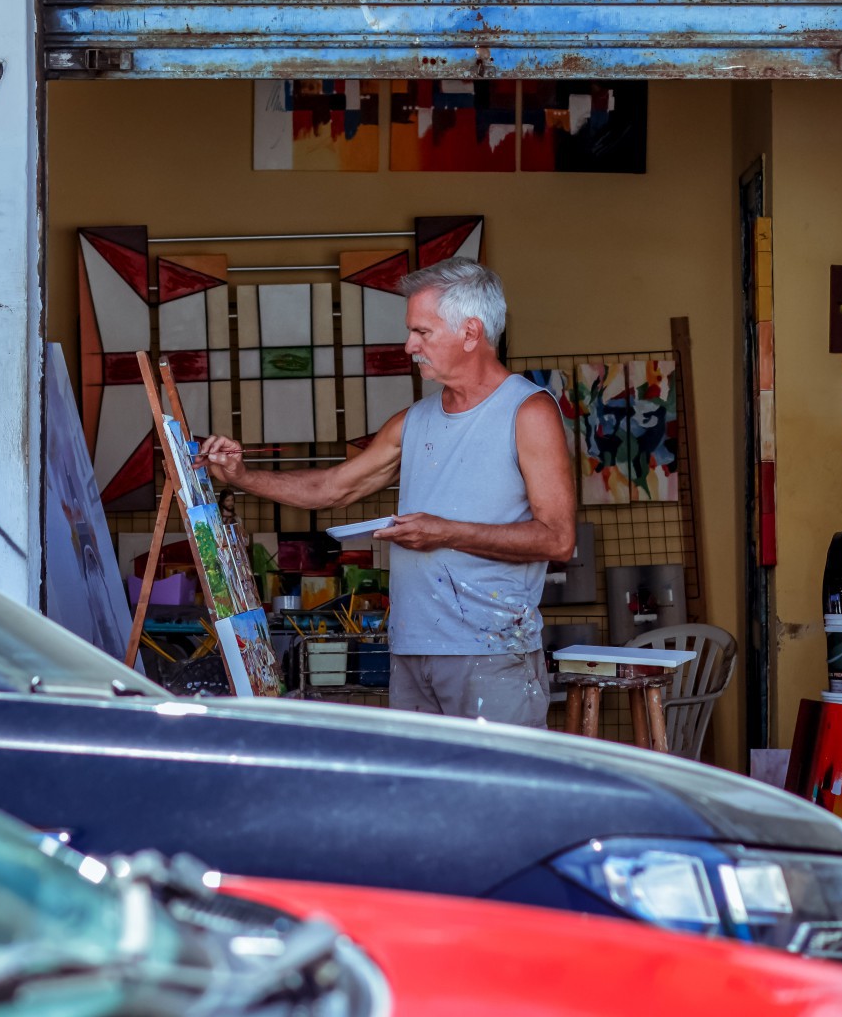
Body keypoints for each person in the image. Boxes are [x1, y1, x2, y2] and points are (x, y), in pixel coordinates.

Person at [199, 258, 577, 726]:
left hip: (491, 650)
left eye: (422, 332)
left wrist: (445, 532)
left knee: (497, 797)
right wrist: (240, 476)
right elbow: (332, 487)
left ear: (470, 332)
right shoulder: (413, 420)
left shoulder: (527, 411)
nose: (409, 346)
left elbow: (558, 539)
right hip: (410, 648)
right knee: (418, 797)